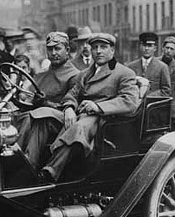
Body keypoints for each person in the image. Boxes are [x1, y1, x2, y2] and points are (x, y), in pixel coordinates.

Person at [38, 33, 139, 182]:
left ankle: (51, 170)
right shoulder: (85, 74)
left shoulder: (124, 73)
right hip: (79, 114)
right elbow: (71, 95)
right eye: (95, 47)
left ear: (112, 50)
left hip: (103, 119)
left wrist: (98, 106)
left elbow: (129, 101)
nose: (98, 51)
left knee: (79, 127)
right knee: (44, 115)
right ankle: (29, 162)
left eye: (103, 47)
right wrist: (69, 108)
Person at [15, 31, 81, 170]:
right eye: (50, 49)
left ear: (67, 50)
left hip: (60, 121)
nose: (53, 53)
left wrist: (45, 103)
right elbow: (29, 100)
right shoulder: (41, 75)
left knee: (39, 116)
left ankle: (27, 163)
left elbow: (71, 105)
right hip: (37, 116)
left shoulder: (74, 76)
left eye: (58, 48)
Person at [127, 32, 171, 97]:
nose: (146, 48)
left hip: (153, 105)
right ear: (140, 47)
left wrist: (148, 96)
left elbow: (166, 90)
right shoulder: (131, 67)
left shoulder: (162, 67)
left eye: (149, 46)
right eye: (144, 45)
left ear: (155, 48)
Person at [159, 36, 175, 130]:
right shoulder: (155, 63)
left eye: (171, 49)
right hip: (155, 107)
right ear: (162, 48)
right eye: (167, 48)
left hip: (170, 111)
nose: (168, 51)